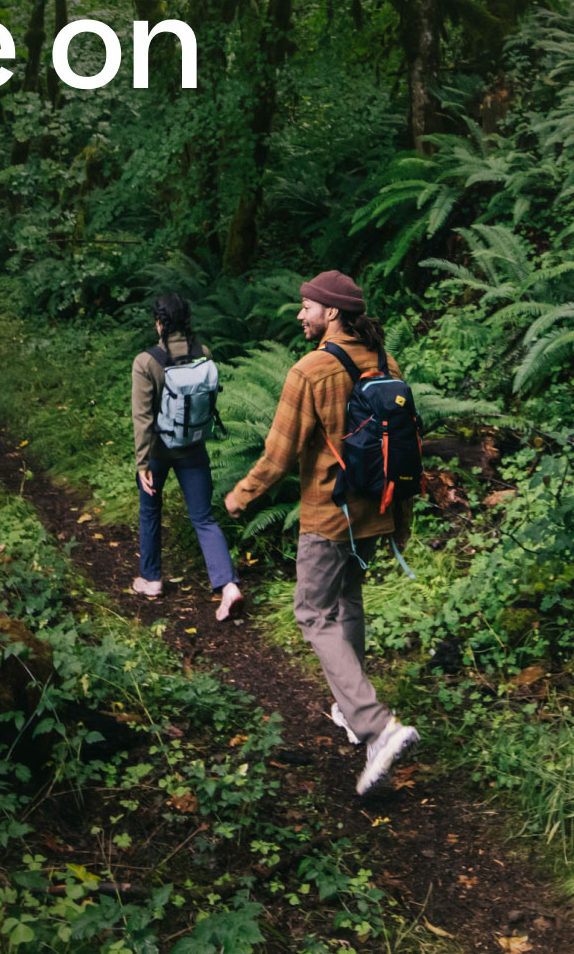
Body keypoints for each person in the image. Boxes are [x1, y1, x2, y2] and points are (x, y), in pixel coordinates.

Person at [224, 270, 419, 795]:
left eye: (306, 306)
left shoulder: (310, 370)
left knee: (311, 611)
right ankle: (350, 711)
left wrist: (242, 494)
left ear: (330, 313)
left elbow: (280, 454)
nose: (299, 314)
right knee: (348, 600)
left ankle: (377, 726)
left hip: (329, 516)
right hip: (376, 511)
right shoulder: (385, 363)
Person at [132, 293, 243, 621]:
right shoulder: (203, 354)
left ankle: (151, 580)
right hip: (194, 447)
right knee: (204, 518)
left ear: (159, 323)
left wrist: (142, 463)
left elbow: (143, 418)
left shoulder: (146, 361)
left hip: (157, 451)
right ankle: (228, 585)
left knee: (150, 510)